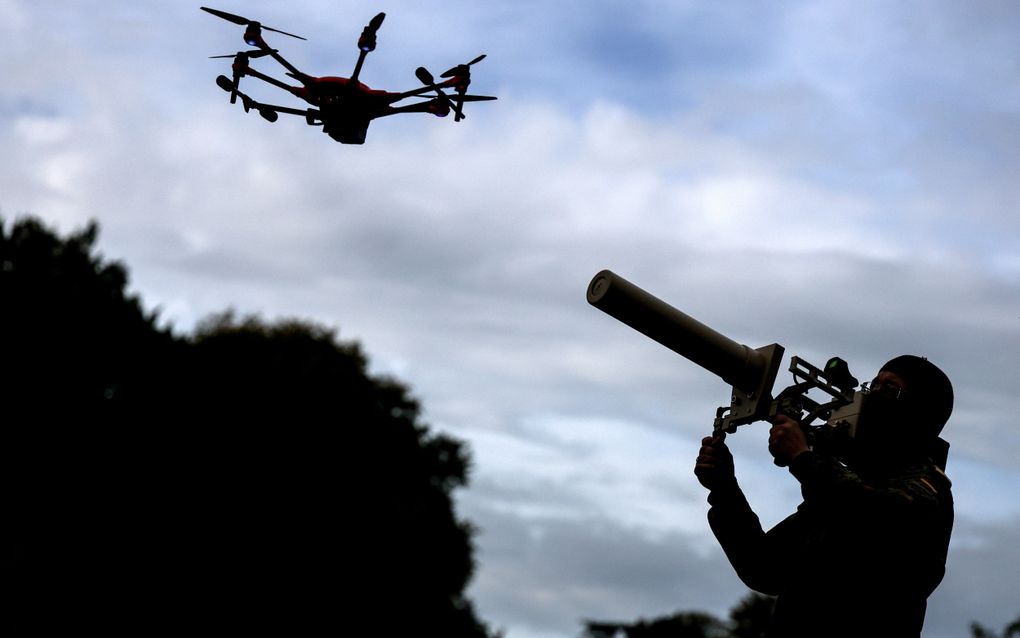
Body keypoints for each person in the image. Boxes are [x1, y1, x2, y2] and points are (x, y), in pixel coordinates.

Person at [694, 355, 954, 638]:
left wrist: (802, 459)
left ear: (920, 414)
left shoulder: (928, 490)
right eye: (873, 386)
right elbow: (764, 567)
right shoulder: (839, 490)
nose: (870, 397)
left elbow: (875, 517)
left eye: (889, 389)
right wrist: (724, 490)